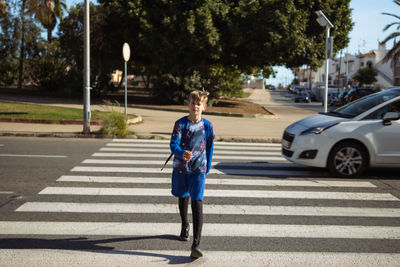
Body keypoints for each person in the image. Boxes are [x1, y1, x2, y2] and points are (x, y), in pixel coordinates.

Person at [169, 90, 215, 259]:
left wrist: (207, 166)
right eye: (193, 103)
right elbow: (173, 145)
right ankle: (184, 224)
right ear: (188, 104)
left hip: (198, 170)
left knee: (197, 201)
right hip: (181, 168)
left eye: (199, 104)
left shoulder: (208, 126)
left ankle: (196, 244)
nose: (195, 106)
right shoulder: (180, 124)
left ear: (204, 106)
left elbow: (209, 147)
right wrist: (181, 153)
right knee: (182, 196)